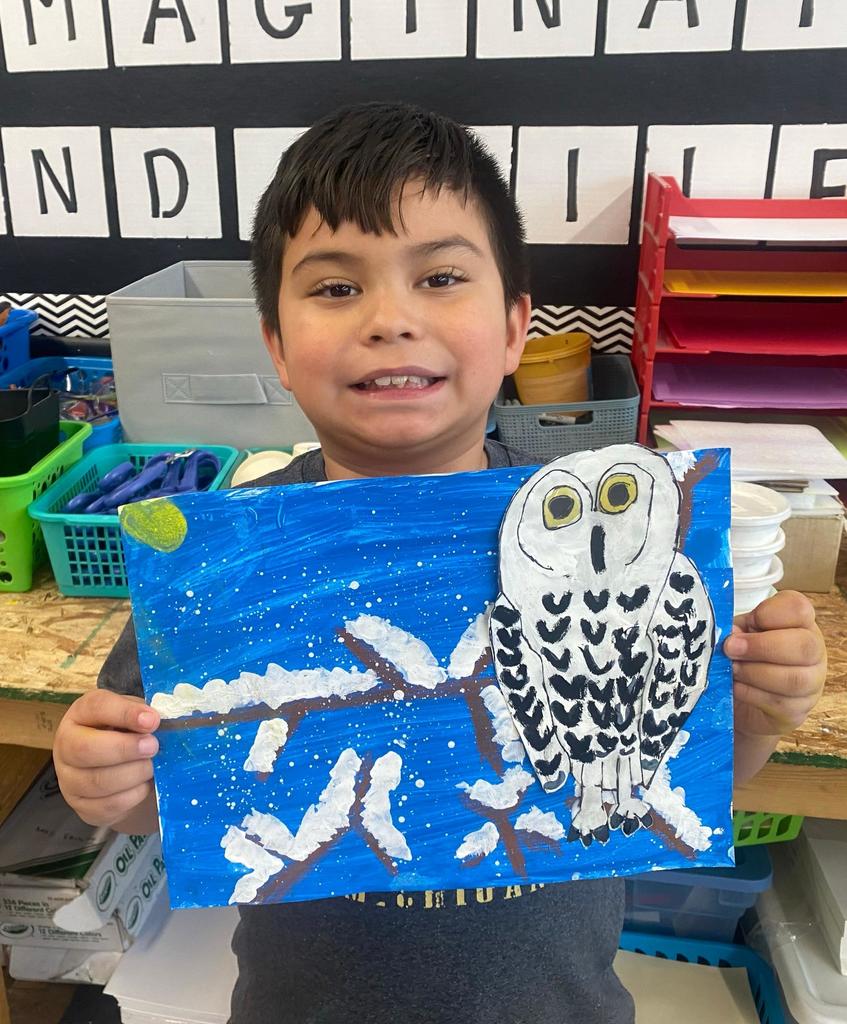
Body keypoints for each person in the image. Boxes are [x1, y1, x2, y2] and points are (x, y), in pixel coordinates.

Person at [53, 102, 827, 1024]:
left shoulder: (602, 532)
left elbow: (671, 772)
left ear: (512, 331)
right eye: (336, 289)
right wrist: (104, 785)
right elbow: (158, 793)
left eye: (441, 277)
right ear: (276, 348)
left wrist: (756, 715)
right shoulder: (223, 569)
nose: (390, 319)